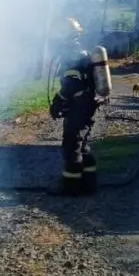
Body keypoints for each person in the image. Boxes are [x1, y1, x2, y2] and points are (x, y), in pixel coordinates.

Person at [48, 18, 103, 195]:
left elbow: (71, 84)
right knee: (83, 144)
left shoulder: (72, 56)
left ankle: (71, 188)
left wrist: (58, 101)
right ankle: (89, 184)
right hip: (87, 105)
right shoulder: (82, 52)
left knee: (72, 146)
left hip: (79, 107)